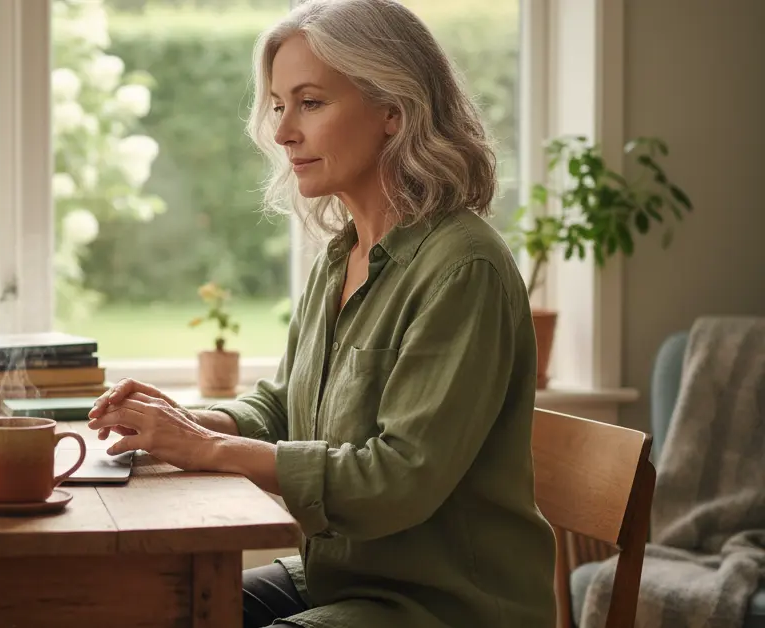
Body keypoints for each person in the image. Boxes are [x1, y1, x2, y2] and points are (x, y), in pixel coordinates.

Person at [86, 0, 558, 625]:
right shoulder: (342, 256)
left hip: (443, 606)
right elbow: (285, 407)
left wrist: (207, 449)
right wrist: (182, 422)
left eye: (310, 102)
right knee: (147, 605)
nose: (283, 132)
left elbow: (398, 478)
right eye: (280, 106)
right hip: (339, 579)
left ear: (394, 110)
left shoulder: (463, 269)